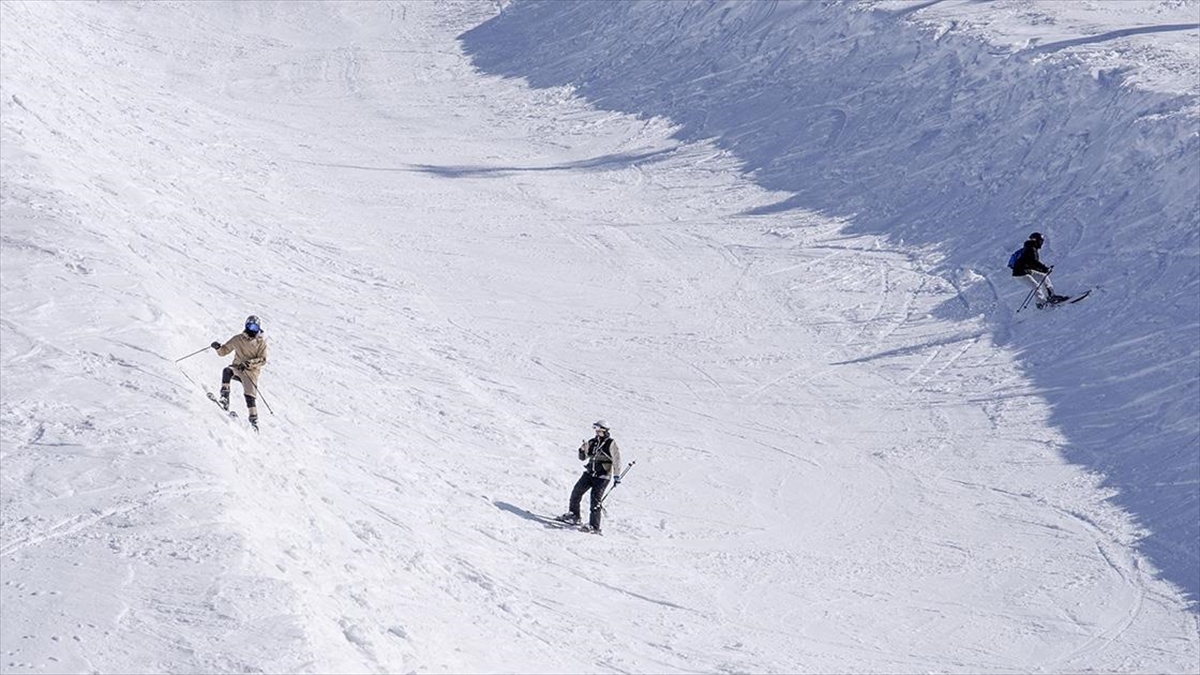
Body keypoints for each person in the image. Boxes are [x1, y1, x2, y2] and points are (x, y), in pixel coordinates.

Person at [559, 420, 623, 532]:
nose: (597, 433)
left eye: (599, 431)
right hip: (589, 473)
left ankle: (594, 526)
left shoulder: (611, 443)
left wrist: (617, 476)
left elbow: (617, 460)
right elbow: (583, 458)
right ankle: (574, 515)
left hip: (602, 476)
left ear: (605, 431)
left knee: (595, 500)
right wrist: (582, 450)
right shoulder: (593, 442)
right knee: (576, 492)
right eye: (596, 431)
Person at [211, 315, 269, 431]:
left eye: (254, 327)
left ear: (258, 328)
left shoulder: (261, 343)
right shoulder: (238, 339)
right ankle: (224, 399)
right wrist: (218, 348)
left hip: (250, 372)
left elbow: (263, 360)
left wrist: (248, 364)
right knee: (227, 371)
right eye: (249, 326)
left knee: (249, 396)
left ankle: (253, 420)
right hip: (237, 368)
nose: (251, 329)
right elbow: (224, 351)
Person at [1012, 232, 1068, 308]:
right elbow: (1033, 262)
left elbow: (1032, 263)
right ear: (1036, 240)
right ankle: (1041, 303)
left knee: (1043, 276)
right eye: (1041, 241)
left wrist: (1044, 270)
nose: (1041, 243)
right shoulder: (1030, 249)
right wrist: (1044, 268)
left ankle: (1051, 296)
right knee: (1036, 286)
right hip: (1020, 273)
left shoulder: (1030, 247)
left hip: (1026, 271)